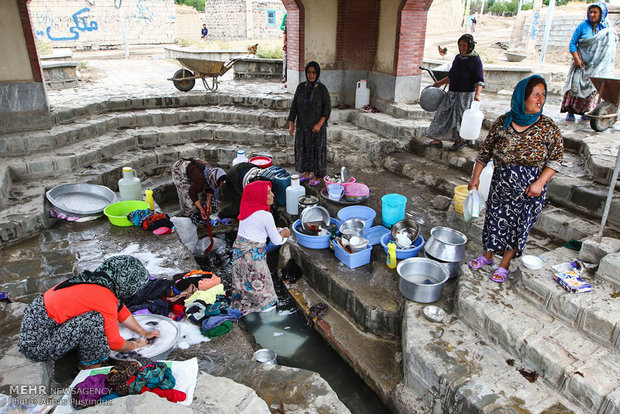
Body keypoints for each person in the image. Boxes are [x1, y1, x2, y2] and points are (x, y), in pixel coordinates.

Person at [468, 75, 563, 283]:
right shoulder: (504, 122)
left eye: (543, 95)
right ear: (523, 96)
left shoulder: (548, 128)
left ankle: (505, 264)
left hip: (529, 189)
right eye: (536, 94)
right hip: (501, 184)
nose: (541, 99)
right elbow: (485, 152)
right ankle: (488, 255)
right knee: (494, 219)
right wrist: (475, 177)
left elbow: (556, 159)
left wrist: (539, 183)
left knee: (518, 226)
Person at [18, 256, 159, 369]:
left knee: (96, 319)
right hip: (36, 345)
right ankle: (88, 366)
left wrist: (143, 332)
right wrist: (137, 345)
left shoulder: (97, 282)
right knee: (94, 321)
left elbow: (121, 311)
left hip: (42, 329)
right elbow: (114, 344)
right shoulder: (104, 297)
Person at [231, 181, 289, 314]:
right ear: (258, 196)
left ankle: (247, 315)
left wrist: (276, 230)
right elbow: (276, 240)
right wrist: (285, 233)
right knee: (264, 295)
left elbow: (257, 230)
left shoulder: (245, 211)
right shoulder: (266, 216)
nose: (273, 195)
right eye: (268, 192)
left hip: (238, 258)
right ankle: (268, 322)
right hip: (254, 262)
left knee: (244, 291)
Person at [426, 34, 484, 151]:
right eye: (460, 45)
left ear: (470, 46)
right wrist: (439, 83)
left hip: (466, 95)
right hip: (452, 93)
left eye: (464, 45)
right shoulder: (458, 58)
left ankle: (460, 141)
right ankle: (437, 139)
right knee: (442, 113)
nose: (462, 48)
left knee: (461, 118)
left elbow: (480, 80)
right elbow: (452, 76)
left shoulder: (475, 60)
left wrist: (477, 95)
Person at [561, 2, 617, 122]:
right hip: (580, 65)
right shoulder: (582, 26)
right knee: (575, 88)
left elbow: (609, 47)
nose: (592, 15)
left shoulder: (606, 29)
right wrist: (576, 58)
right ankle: (570, 112)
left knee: (591, 90)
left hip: (596, 67)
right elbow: (572, 43)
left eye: (595, 12)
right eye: (590, 12)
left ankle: (585, 112)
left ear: (602, 14)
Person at [287, 61, 331, 185]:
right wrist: (291, 123)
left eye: (314, 73)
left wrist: (319, 124)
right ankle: (307, 172)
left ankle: (317, 175)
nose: (311, 75)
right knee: (304, 149)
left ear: (317, 74)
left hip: (316, 128)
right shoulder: (301, 87)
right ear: (306, 73)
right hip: (302, 127)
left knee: (317, 151)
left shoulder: (322, 89)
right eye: (309, 72)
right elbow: (294, 106)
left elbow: (327, 109)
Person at [172, 158, 227, 225]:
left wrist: (208, 202)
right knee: (187, 200)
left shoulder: (214, 173)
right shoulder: (200, 179)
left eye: (222, 183)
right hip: (180, 169)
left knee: (206, 197)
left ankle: (203, 208)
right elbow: (192, 193)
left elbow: (210, 187)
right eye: (219, 183)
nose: (221, 185)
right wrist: (201, 209)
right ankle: (190, 216)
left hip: (195, 168)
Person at [281, 13, 287, 84]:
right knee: (285, 60)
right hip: (287, 41)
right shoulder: (286, 15)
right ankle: (284, 76)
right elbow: (281, 26)